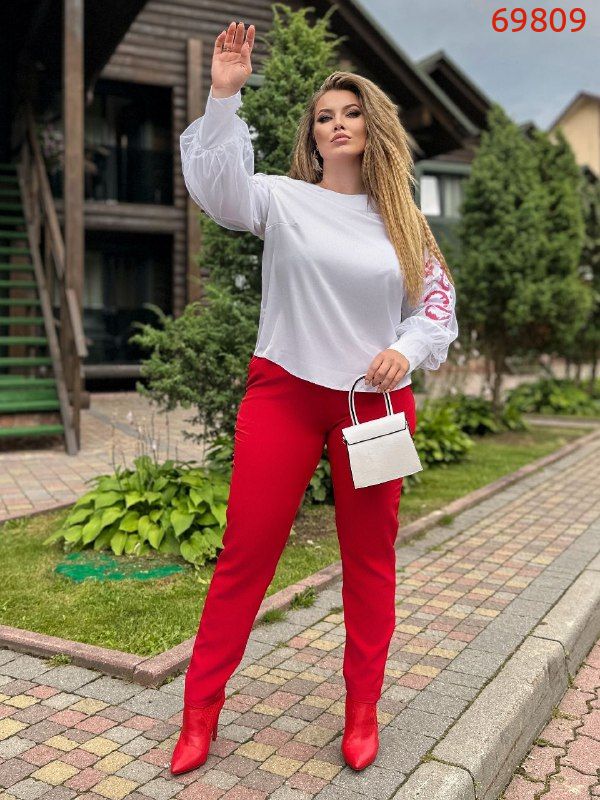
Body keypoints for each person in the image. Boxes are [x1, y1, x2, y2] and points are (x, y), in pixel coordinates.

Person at [170, 19, 458, 776]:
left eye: (351, 112)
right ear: (313, 134)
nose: (337, 124)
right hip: (285, 393)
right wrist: (224, 96)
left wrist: (406, 350)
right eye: (325, 115)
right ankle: (199, 712)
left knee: (371, 562)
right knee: (247, 554)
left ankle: (362, 711)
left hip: (373, 403)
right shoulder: (281, 199)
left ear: (373, 127)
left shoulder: (405, 225)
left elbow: (435, 308)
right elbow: (218, 189)